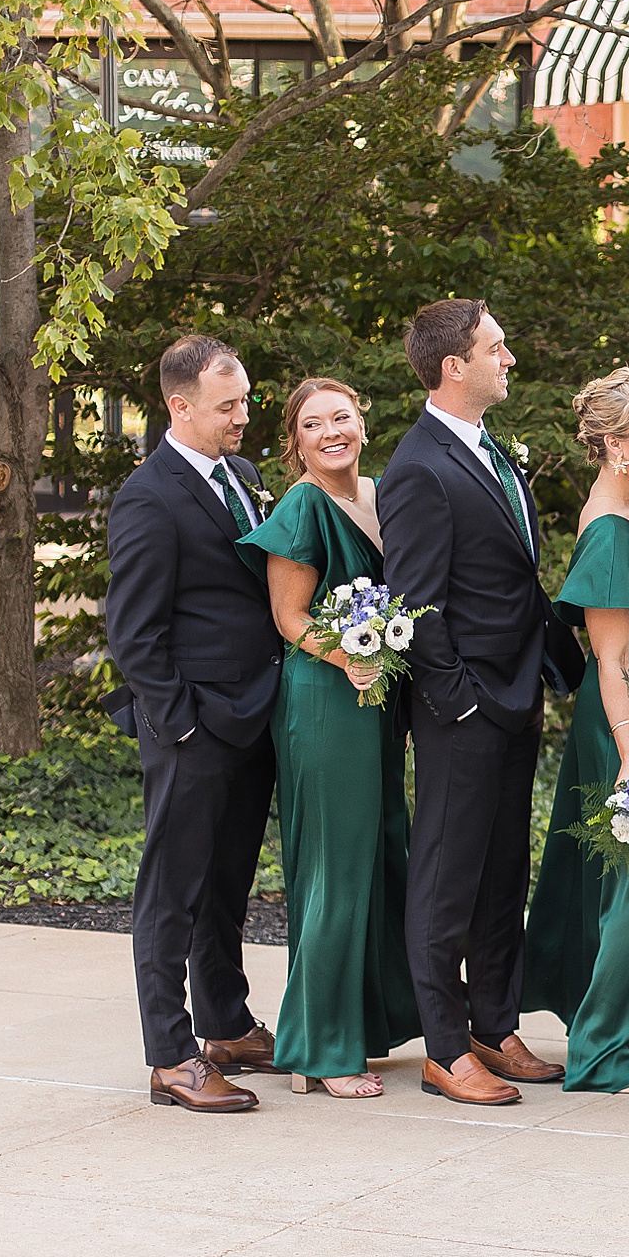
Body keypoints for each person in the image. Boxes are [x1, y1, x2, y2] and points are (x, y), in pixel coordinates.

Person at [379, 298, 584, 1105]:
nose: (509, 359)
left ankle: (494, 1028)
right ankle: (443, 1047)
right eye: (496, 348)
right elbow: (415, 602)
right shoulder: (418, 467)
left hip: (516, 694)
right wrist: (458, 701)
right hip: (462, 709)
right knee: (447, 876)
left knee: (503, 872)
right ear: (453, 365)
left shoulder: (488, 449)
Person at [106, 334, 283, 1112]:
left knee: (226, 885)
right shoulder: (148, 496)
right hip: (192, 727)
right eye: (227, 406)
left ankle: (225, 1024)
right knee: (171, 892)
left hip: (251, 719)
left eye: (244, 400)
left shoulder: (243, 477)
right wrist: (179, 726)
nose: (242, 416)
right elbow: (133, 632)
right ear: (179, 407)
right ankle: (171, 1056)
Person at [236, 377, 423, 1099]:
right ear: (296, 442)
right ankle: (319, 1046)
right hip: (325, 699)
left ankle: (358, 1025)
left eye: (341, 417)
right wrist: (348, 655)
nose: (331, 432)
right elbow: (289, 617)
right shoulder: (302, 505)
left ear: (363, 425)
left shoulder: (379, 495)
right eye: (313, 424)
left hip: (375, 697)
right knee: (335, 867)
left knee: (378, 854)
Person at [521, 369, 629, 1094]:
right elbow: (611, 660)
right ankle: (600, 1050)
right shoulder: (607, 533)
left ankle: (621, 1032)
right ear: (615, 445)